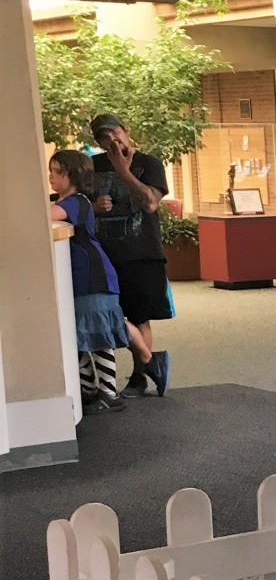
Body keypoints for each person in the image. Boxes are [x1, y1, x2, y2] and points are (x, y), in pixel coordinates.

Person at [48, 150, 151, 412]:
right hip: (81, 279)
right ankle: (89, 389)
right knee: (79, 336)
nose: (51, 176)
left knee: (98, 335)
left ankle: (108, 392)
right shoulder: (66, 201)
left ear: (72, 175)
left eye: (57, 171)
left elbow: (48, 215)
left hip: (94, 277)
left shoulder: (77, 202)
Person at [88, 113, 171, 396]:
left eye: (115, 133)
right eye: (104, 137)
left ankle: (139, 377)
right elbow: (75, 200)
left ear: (126, 130)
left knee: (138, 316)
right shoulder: (91, 167)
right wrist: (93, 206)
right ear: (98, 142)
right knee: (106, 314)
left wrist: (122, 170)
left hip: (141, 253)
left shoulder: (149, 164)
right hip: (102, 255)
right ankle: (143, 365)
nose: (112, 140)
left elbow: (149, 203)